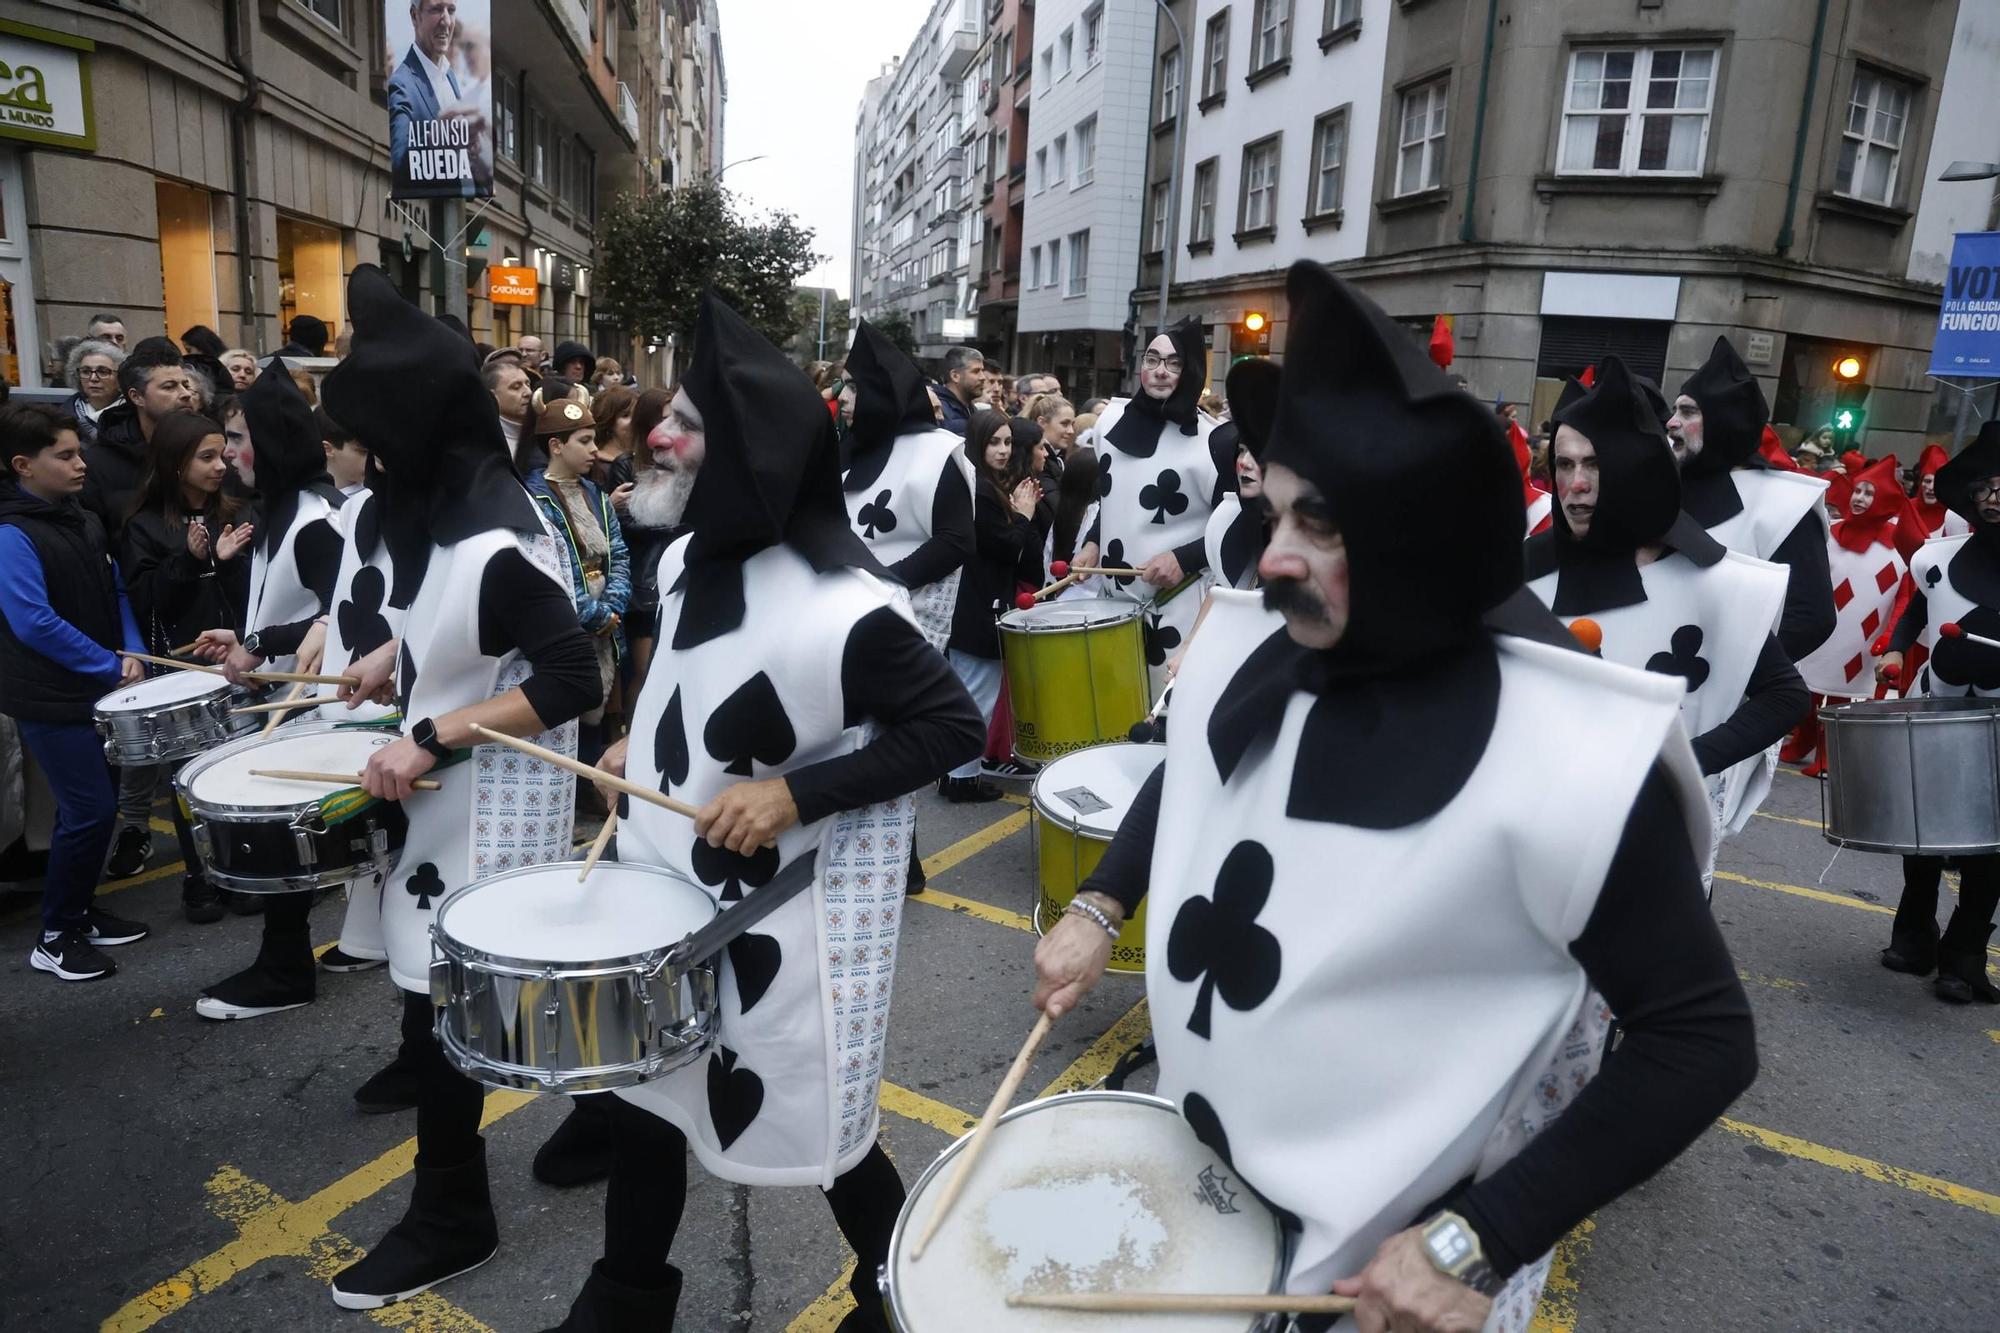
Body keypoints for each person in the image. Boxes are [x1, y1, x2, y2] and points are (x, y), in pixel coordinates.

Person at [1032, 262, 1758, 1331]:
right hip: (1199, 1197)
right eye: (1273, 514)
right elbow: (1187, 772)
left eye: (1316, 527)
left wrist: (1480, 1235)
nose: (1269, 561)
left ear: (1412, 533)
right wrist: (1099, 906)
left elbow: (1701, 1040)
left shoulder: (1574, 754)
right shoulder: (1253, 654)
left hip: (1390, 1282)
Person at [540, 288, 982, 1333]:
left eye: (684, 426)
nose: (655, 436)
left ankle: (899, 1285)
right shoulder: (688, 558)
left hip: (773, 918)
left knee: (815, 1120)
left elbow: (951, 730)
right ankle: (624, 1297)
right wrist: (629, 744)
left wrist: (795, 792)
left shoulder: (852, 611)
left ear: (747, 453)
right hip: (660, 888)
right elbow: (684, 687)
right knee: (649, 1099)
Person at [317, 264, 599, 1310]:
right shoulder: (451, 511)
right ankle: (608, 1114)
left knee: (467, 1007)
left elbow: (574, 677)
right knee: (468, 1004)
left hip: (488, 815)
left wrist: (433, 730)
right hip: (441, 809)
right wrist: (397, 655)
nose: (370, 460)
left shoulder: (499, 536)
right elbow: (464, 626)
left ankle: (451, 1215)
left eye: (379, 439)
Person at [1527, 355, 1806, 873]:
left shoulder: (1714, 581)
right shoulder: (1522, 574)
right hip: (1538, 835)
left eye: (1595, 464)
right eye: (1565, 464)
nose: (1576, 484)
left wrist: (1680, 765)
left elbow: (1785, 696)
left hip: (1656, 842)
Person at [190, 363, 352, 1021]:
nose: (227, 452)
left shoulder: (315, 517)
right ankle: (303, 956)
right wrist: (244, 637)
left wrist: (261, 641)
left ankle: (286, 969)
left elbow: (341, 612)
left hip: (311, 704)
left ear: (276, 440)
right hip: (283, 699)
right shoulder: (277, 510)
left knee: (287, 839)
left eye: (236, 437)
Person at [0, 404, 152, 982]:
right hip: (53, 696)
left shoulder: (79, 515)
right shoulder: (11, 532)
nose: (80, 463)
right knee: (88, 812)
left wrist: (132, 648)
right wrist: (107, 665)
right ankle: (55, 934)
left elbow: (114, 590)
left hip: (99, 686)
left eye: (78, 451)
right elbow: (32, 621)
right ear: (23, 465)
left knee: (99, 809)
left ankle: (79, 912)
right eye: (63, 455)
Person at [115, 411, 255, 922]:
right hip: (182, 670)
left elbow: (255, 598)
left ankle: (243, 871)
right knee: (189, 778)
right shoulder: (145, 526)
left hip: (238, 663)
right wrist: (191, 561)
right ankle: (200, 877)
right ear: (175, 464)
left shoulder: (238, 513)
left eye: (223, 454)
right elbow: (149, 601)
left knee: (239, 772)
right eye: (207, 457)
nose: (221, 466)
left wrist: (227, 561)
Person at [1878, 423, 2000, 1003]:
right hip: (1934, 707)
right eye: (1987, 484)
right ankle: (1914, 934)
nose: (1996, 494)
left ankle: (1965, 955)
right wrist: (1897, 650)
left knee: (1993, 845)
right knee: (1920, 830)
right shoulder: (1935, 556)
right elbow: (1916, 609)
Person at [1671, 337, 1835, 662]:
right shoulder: (1663, 490)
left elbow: (1810, 619)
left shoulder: (1785, 504)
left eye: (1687, 411)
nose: (1671, 422)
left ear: (1723, 422)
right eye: (1675, 410)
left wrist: (1733, 677)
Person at [1077, 318, 1221, 688]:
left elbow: (1237, 526)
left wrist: (1183, 558)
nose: (1159, 371)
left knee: (1162, 720)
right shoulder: (1109, 424)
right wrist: (1093, 542)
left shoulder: (1214, 443)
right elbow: (1113, 497)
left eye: (1173, 363)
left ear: (1190, 371)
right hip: (1112, 604)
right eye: (1152, 359)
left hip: (1178, 607)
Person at [838, 319, 975, 652]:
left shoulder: (938, 451)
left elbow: (956, 541)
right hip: (841, 617)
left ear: (883, 391)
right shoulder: (846, 447)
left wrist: (881, 583)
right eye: (840, 385)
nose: (842, 398)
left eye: (854, 387)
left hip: (904, 622)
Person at [1783, 454, 1922, 777]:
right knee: (1805, 689)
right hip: (1820, 630)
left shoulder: (1898, 546)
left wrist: (1890, 641)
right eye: (1858, 490)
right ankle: (1804, 740)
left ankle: (1830, 753)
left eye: (1869, 493)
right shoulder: (1829, 533)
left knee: (1841, 699)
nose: (1860, 498)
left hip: (1863, 640)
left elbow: (1905, 599)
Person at [520, 397, 630, 765]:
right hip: (566, 619)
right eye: (584, 441)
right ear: (556, 446)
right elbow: (552, 566)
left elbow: (618, 552)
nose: (595, 450)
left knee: (604, 700)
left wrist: (614, 605)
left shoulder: (596, 495)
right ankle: (578, 781)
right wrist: (592, 613)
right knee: (571, 697)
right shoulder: (533, 498)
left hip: (607, 616)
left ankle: (595, 778)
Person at [942, 410, 1039, 802]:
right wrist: (1023, 516)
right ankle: (963, 778)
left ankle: (955, 774)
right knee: (976, 698)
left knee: (969, 694)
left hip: (976, 604)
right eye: (994, 442)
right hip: (981, 606)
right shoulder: (980, 490)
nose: (1003, 450)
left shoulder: (980, 484)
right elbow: (1008, 547)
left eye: (1007, 442)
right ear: (977, 445)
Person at [83, 344, 198, 542]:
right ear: (136, 397)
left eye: (185, 385)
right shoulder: (97, 463)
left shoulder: (207, 448)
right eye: (169, 387)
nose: (185, 394)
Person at [605, 388, 676, 698]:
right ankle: (633, 742)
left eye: (678, 417)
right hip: (644, 585)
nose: (673, 425)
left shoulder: (686, 460)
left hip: (679, 578)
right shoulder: (626, 464)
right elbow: (623, 524)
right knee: (646, 672)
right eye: (665, 418)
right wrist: (673, 518)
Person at [387, 0, 486, 196]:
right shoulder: (401, 83)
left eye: (451, 10)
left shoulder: (449, 75)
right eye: (436, 9)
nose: (446, 21)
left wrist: (474, 149)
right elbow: (398, 163)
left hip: (461, 207)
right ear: (415, 16)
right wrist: (436, 140)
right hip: (432, 214)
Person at [1199, 358, 1281, 592]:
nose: (1244, 463)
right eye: (1242, 451)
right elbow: (1219, 596)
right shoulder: (1226, 521)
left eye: (1258, 453)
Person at [64, 339, 125, 446]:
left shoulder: (133, 416)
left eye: (103, 372)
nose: (93, 378)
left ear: (120, 376)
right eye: (86, 371)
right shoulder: (63, 416)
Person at [1909, 444, 1969, 540]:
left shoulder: (1955, 515)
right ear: (1920, 483)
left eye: (1937, 482)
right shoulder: (1907, 508)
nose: (1931, 487)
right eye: (1927, 481)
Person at [589, 385, 638, 491]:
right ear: (609, 421)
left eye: (636, 414)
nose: (634, 421)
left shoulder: (640, 458)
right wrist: (611, 503)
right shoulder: (592, 463)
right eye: (625, 415)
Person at [484, 359, 532, 458]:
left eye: (528, 384)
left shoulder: (542, 435)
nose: (528, 392)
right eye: (516, 387)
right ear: (492, 396)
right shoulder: (484, 444)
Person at [934, 345, 983, 435]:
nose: (983, 377)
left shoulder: (972, 409)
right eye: (976, 371)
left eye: (982, 371)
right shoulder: (939, 410)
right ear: (955, 376)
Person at [320, 407, 371, 496]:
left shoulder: (380, 493)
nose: (373, 459)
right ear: (327, 449)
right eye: (363, 451)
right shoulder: (307, 501)